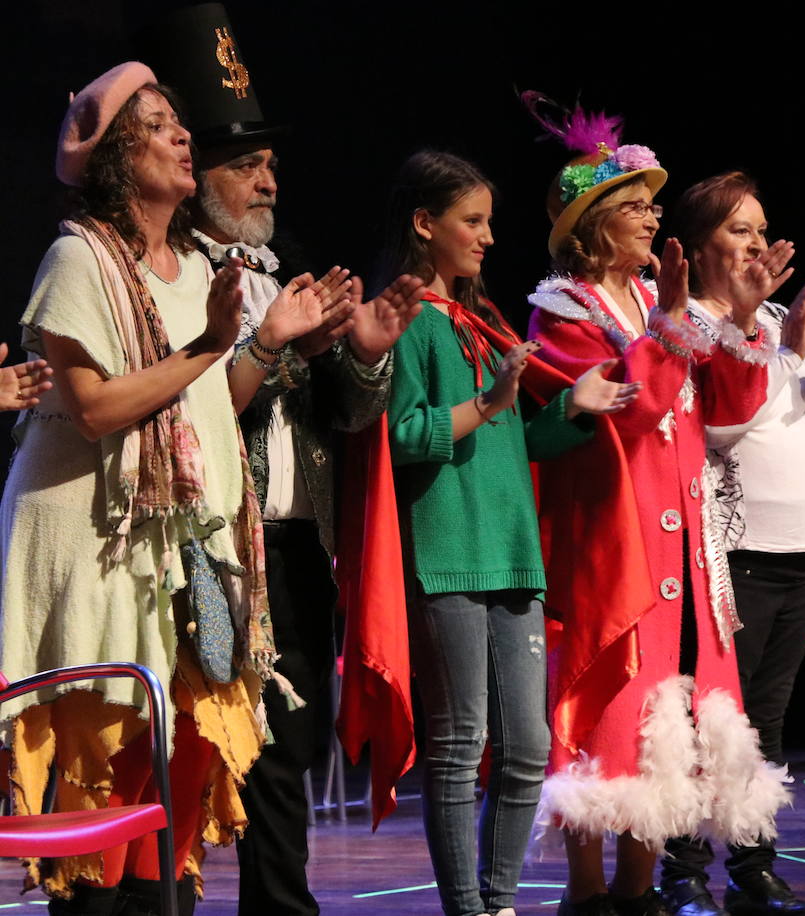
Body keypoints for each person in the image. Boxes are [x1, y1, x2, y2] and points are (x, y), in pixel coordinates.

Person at [0, 62, 328, 915]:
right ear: (116, 158)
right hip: (96, 549)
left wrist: (260, 344)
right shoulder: (78, 258)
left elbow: (210, 406)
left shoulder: (188, 265)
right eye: (158, 125)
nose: (184, 136)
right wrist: (211, 344)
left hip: (180, 554)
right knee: (103, 786)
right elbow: (99, 405)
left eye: (179, 122)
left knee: (171, 792)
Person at [152, 11, 428, 908]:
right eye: (248, 166)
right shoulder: (175, 273)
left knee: (285, 747)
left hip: (296, 548)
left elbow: (347, 415)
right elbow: (185, 406)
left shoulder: (286, 268)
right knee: (201, 744)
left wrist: (366, 353)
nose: (270, 179)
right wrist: (270, 347)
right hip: (212, 545)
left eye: (270, 165)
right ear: (202, 180)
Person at [521, 100, 789, 916]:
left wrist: (739, 318)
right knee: (611, 705)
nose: (652, 216)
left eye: (651, 203)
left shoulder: (651, 297)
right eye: (635, 205)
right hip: (613, 539)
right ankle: (590, 892)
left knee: (666, 717)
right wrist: (674, 324)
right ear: (592, 223)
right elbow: (633, 408)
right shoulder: (562, 311)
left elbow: (726, 405)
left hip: (682, 541)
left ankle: (639, 894)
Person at [378, 149, 640, 916]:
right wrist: (493, 403)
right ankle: (469, 906)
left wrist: (575, 407)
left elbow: (519, 440)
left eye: (490, 221)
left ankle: (498, 901)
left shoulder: (483, 321)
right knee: (460, 747)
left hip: (514, 557)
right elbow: (407, 435)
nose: (489, 236)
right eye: (472, 221)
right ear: (425, 225)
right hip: (448, 552)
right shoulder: (409, 319)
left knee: (525, 749)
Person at [654, 171, 805, 916]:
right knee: (707, 719)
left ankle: (754, 870)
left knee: (767, 721)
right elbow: (717, 428)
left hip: (799, 545)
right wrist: (744, 329)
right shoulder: (689, 323)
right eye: (738, 229)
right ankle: (682, 874)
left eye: (760, 227)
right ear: (696, 244)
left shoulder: (779, 316)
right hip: (728, 549)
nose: (755, 241)